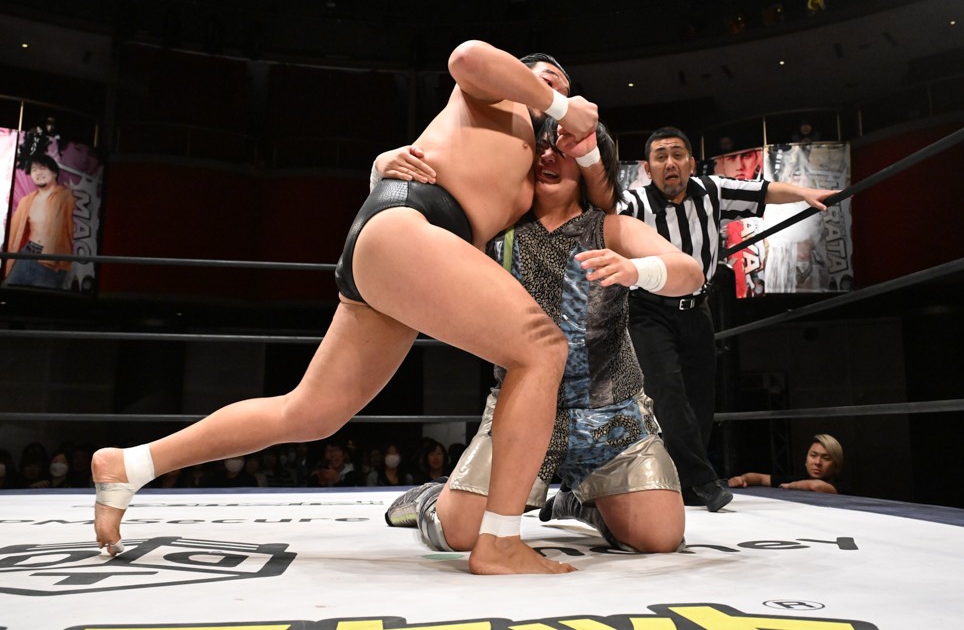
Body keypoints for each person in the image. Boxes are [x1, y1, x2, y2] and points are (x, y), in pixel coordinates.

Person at [90, 39, 600, 575]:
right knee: (543, 349)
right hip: (410, 227)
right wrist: (557, 103)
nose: (555, 90)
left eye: (564, 87)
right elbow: (467, 58)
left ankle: (131, 464)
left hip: (412, 258)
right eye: (546, 78)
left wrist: (582, 144)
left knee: (310, 412)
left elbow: (597, 201)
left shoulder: (531, 162)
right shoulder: (500, 98)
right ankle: (499, 542)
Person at [384, 117, 705, 554]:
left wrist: (636, 270)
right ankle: (430, 500)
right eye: (541, 147)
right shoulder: (496, 229)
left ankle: (581, 503)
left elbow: (690, 273)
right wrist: (382, 171)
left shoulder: (611, 228)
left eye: (563, 149)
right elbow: (409, 234)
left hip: (611, 417)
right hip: (522, 412)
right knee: (459, 534)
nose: (548, 156)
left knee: (661, 538)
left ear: (589, 164)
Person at [618, 127, 839, 512]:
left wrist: (805, 193)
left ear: (691, 163)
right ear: (648, 168)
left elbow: (764, 191)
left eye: (677, 154)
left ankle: (685, 483)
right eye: (660, 156)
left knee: (701, 398)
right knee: (667, 392)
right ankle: (702, 479)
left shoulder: (711, 190)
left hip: (697, 309)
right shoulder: (632, 203)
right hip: (648, 310)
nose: (670, 163)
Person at [3, 153, 75, 289]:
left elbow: (76, 232)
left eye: (42, 168)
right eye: (34, 170)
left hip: (51, 261)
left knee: (40, 299)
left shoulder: (67, 197)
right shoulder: (26, 201)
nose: (38, 173)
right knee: (10, 292)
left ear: (54, 173)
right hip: (26, 255)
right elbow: (13, 231)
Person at [728, 434, 844, 494]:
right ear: (806, 460)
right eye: (813, 455)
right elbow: (760, 478)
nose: (817, 462)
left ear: (836, 465)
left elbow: (816, 486)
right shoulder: (797, 481)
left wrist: (790, 486)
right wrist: (742, 479)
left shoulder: (842, 489)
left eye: (826, 458)